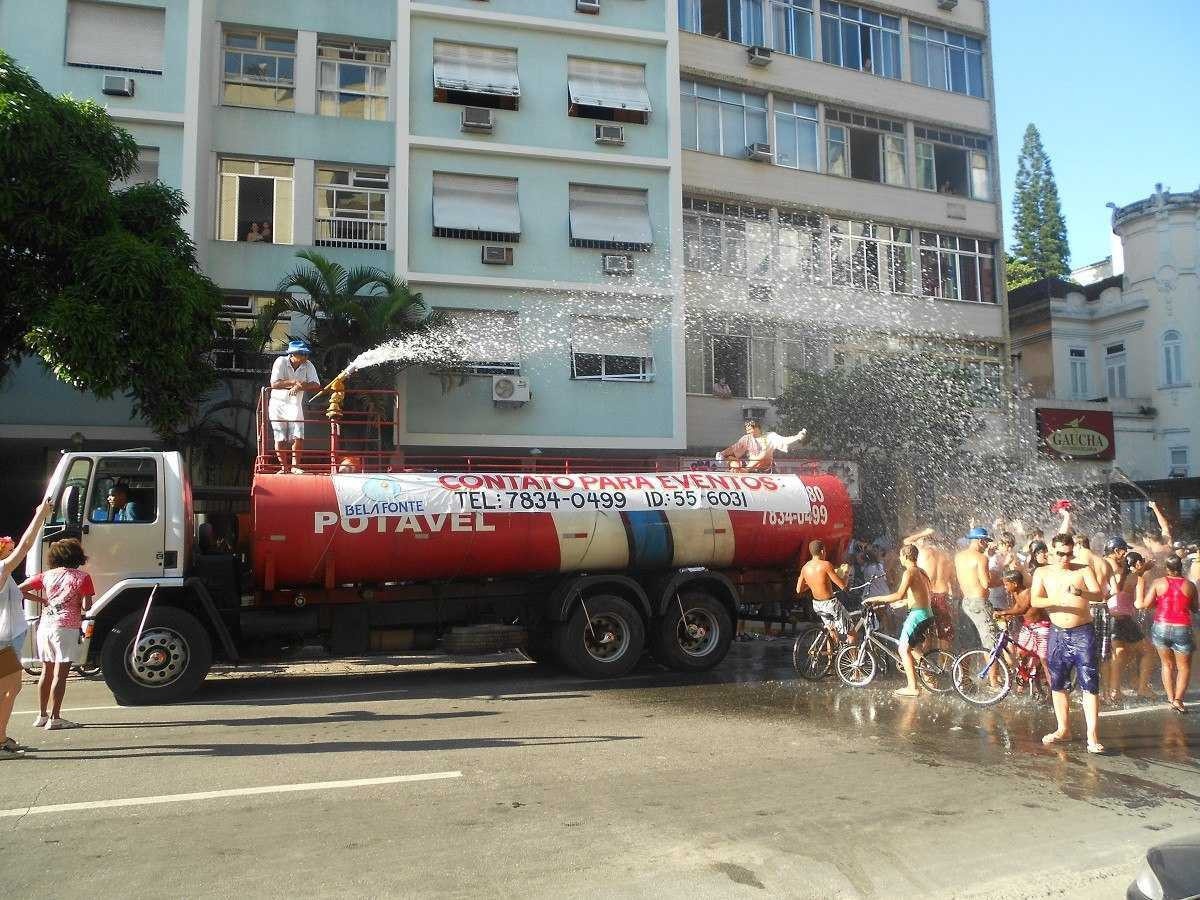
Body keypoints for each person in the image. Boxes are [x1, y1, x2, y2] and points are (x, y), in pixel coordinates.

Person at [1030, 533, 1105, 753]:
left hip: (1082, 632)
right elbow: (1036, 600)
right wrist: (1057, 600)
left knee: (1089, 682)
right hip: (1058, 632)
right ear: (1052, 552)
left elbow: (1099, 594)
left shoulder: (1082, 569)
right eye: (1061, 553)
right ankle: (1063, 729)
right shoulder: (1042, 572)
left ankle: (1093, 736)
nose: (1065, 558)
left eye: (1069, 553)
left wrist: (1080, 592)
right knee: (1057, 682)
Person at [20, 537, 94, 731]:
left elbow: (20, 590)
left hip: (46, 626)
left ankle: (42, 715)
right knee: (61, 675)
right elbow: (87, 606)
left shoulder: (46, 575)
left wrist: (42, 601)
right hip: (67, 628)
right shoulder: (82, 577)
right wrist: (79, 604)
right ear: (77, 556)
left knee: (46, 671)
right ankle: (56, 718)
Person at [0, 499, 55, 759]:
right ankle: (0, 740)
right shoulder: (1, 570)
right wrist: (41, 515)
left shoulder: (5, 574)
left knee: (10, 689)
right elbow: (25, 547)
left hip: (7, 641)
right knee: (9, 689)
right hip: (4, 643)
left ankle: (2, 737)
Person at [865, 544, 933, 697]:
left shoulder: (909, 572)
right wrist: (906, 602)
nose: (899, 558)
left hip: (917, 615)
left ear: (905, 557)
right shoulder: (922, 571)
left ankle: (912, 687)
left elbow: (898, 594)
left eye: (901, 556)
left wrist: (875, 599)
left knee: (903, 649)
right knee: (914, 648)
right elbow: (922, 593)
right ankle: (929, 677)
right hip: (926, 613)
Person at [1136, 554, 1197, 713]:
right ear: (1181, 567)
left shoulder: (1158, 583)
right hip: (1182, 627)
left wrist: (1141, 578)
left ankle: (1171, 698)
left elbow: (1144, 605)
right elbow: (1195, 608)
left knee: (1167, 665)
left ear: (1166, 569)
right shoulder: (1190, 586)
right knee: (1183, 668)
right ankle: (1178, 700)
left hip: (1161, 626)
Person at [269, 340, 322, 474]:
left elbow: (316, 384)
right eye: (302, 354)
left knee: (298, 436)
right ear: (292, 354)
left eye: (306, 354)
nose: (305, 356)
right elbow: (274, 383)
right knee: (280, 438)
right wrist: (294, 382)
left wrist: (300, 386)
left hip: (295, 405)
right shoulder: (280, 361)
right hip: (278, 405)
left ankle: (295, 466)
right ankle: (284, 468)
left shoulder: (308, 365)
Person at [996, 569, 1050, 696]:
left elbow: (1022, 608)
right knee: (1022, 654)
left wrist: (1003, 612)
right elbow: (1016, 607)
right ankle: (1023, 684)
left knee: (1044, 660)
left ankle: (1054, 690)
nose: (1004, 587)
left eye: (1006, 584)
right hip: (1028, 627)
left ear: (1015, 584)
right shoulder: (1015, 593)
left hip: (1041, 627)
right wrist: (1008, 615)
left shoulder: (1028, 592)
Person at [904, 527, 956, 650]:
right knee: (944, 634)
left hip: (926, 596)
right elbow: (952, 582)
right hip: (943, 596)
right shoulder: (947, 555)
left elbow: (907, 542)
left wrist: (924, 533)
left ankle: (925, 666)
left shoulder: (923, 552)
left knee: (925, 633)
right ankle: (945, 665)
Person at [797, 539, 853, 650]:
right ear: (822, 551)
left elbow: (799, 590)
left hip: (817, 605)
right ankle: (854, 663)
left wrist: (813, 582)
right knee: (852, 633)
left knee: (831, 633)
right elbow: (843, 586)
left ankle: (830, 661)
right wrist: (846, 573)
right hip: (830, 604)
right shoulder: (826, 565)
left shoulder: (805, 568)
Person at [955, 527, 1001, 652]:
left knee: (970, 641)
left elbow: (971, 576)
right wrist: (1002, 581)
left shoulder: (959, 557)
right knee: (991, 644)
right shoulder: (981, 558)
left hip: (966, 602)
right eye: (986, 541)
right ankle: (993, 672)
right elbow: (986, 583)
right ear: (981, 541)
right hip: (979, 604)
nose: (987, 545)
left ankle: (965, 670)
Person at [720, 419, 807, 473]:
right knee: (730, 458)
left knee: (764, 454)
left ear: (757, 428)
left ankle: (745, 470)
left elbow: (784, 440)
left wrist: (797, 437)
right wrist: (722, 454)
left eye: (750, 429)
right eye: (747, 430)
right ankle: (738, 471)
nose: (748, 432)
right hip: (750, 469)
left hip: (766, 469)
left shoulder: (770, 436)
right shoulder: (746, 438)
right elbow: (733, 449)